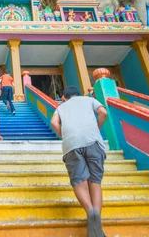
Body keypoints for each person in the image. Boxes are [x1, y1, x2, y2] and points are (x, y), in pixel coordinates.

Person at [50, 86, 108, 237]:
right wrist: (97, 127)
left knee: (79, 182)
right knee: (95, 182)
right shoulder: (89, 99)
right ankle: (97, 216)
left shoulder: (61, 107)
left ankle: (90, 211)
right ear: (79, 94)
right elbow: (103, 112)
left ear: (64, 97)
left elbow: (54, 123)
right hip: (93, 141)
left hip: (71, 145)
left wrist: (65, 134)